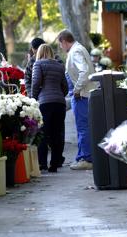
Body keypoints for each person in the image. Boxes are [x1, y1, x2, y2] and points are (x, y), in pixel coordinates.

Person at [57, 29, 97, 170]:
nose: (61, 48)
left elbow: (84, 71)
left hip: (82, 95)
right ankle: (82, 157)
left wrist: (77, 89)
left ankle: (86, 158)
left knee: (83, 127)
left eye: (60, 44)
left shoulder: (75, 51)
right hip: (84, 95)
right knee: (83, 127)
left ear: (64, 41)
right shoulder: (79, 49)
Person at [31, 44, 68, 172]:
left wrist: (33, 98)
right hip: (60, 103)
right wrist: (59, 95)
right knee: (56, 134)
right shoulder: (59, 65)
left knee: (43, 134)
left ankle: (43, 164)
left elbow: (36, 83)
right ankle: (55, 164)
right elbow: (65, 87)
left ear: (39, 53)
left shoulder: (38, 64)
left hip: (45, 103)